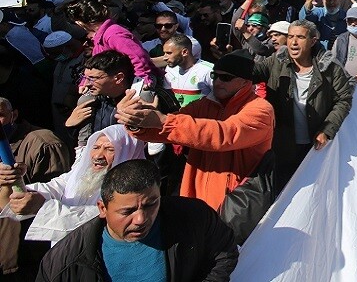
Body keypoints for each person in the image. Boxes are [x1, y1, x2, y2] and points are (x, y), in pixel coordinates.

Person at [118, 50, 274, 242]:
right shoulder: (205, 105)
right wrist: (137, 120)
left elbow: (224, 134)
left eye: (226, 78)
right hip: (197, 197)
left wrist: (162, 121)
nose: (217, 82)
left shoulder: (260, 110)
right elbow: (172, 127)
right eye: (215, 76)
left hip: (236, 203)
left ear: (244, 81)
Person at [36, 159, 239, 281]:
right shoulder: (64, 263)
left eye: (151, 205)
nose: (141, 219)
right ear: (102, 208)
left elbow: (224, 252)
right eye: (128, 211)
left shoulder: (193, 217)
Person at [0, 126, 145, 243]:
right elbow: (39, 192)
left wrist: (42, 206)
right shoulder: (77, 177)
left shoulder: (135, 189)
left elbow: (98, 219)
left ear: (126, 154)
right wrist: (11, 180)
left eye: (109, 149)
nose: (98, 156)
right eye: (96, 147)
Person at [253, 20, 353, 190]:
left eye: (300, 37)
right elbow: (252, 72)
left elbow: (344, 99)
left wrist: (327, 130)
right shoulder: (277, 62)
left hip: (314, 148)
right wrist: (231, 63)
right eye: (290, 36)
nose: (293, 42)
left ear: (313, 40)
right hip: (283, 146)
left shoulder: (330, 68)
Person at [65, 0, 160, 84]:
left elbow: (138, 56)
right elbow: (95, 66)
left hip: (136, 80)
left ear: (80, 22)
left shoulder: (113, 34)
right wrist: (85, 83)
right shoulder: (100, 38)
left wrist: (142, 80)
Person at [162, 34, 213, 106]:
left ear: (185, 52)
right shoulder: (170, 70)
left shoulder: (208, 70)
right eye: (164, 53)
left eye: (169, 53)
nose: (164, 58)